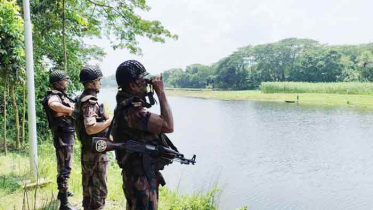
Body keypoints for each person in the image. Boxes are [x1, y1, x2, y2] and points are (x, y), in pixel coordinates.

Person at [111, 60, 174, 210]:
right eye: (143, 81)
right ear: (133, 85)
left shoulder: (128, 105)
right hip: (140, 178)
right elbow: (168, 126)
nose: (147, 84)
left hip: (136, 175)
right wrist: (161, 93)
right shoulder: (132, 110)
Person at [74, 66, 112, 210]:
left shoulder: (80, 99)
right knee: (98, 192)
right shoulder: (90, 102)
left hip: (87, 151)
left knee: (88, 188)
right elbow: (90, 128)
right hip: (96, 153)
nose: (100, 83)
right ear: (91, 83)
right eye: (98, 80)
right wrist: (110, 121)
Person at [42, 70, 76, 210]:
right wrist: (70, 110)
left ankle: (62, 193)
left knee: (63, 165)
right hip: (63, 136)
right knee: (65, 168)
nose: (66, 82)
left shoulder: (61, 95)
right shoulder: (54, 96)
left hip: (66, 134)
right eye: (64, 80)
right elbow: (53, 105)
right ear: (57, 82)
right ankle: (64, 204)